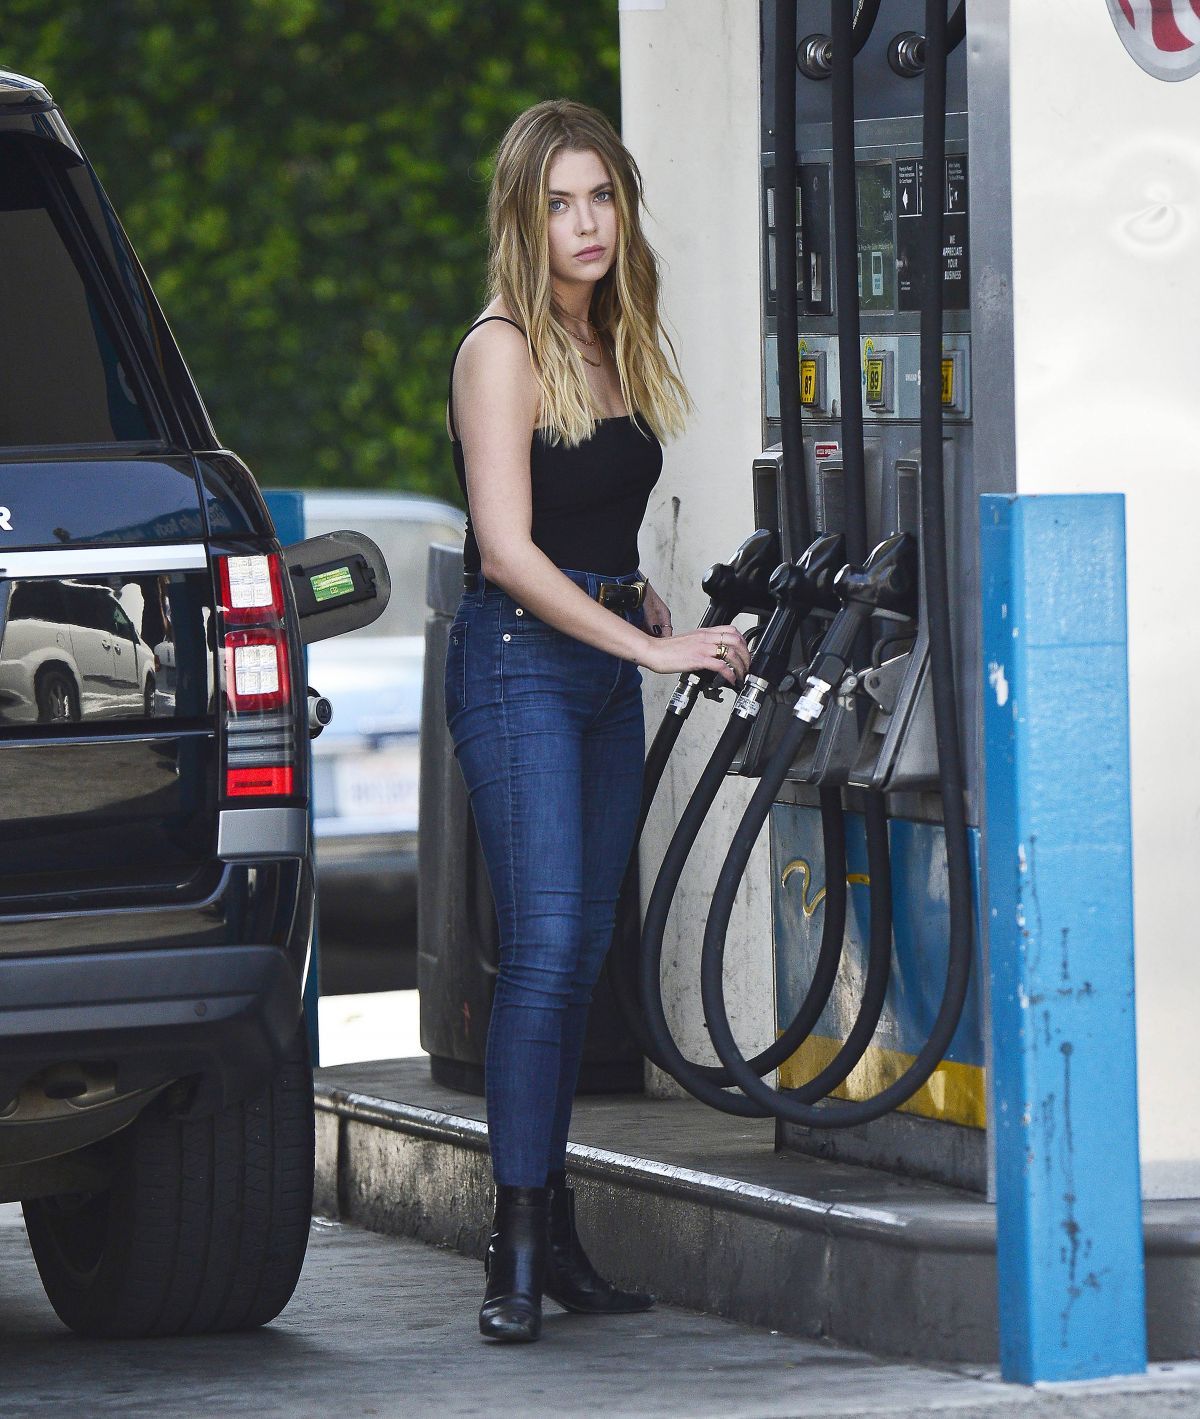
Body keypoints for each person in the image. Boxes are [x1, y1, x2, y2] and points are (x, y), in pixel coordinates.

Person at [444, 98, 750, 1344]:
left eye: (602, 199)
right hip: (520, 665)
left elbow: (589, 526)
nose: (585, 225)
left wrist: (641, 599)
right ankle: (511, 1250)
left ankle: (552, 1228)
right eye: (560, 203)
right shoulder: (502, 346)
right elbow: (511, 554)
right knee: (551, 944)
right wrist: (653, 648)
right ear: (524, 217)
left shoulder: (616, 342)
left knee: (573, 968)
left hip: (594, 659)